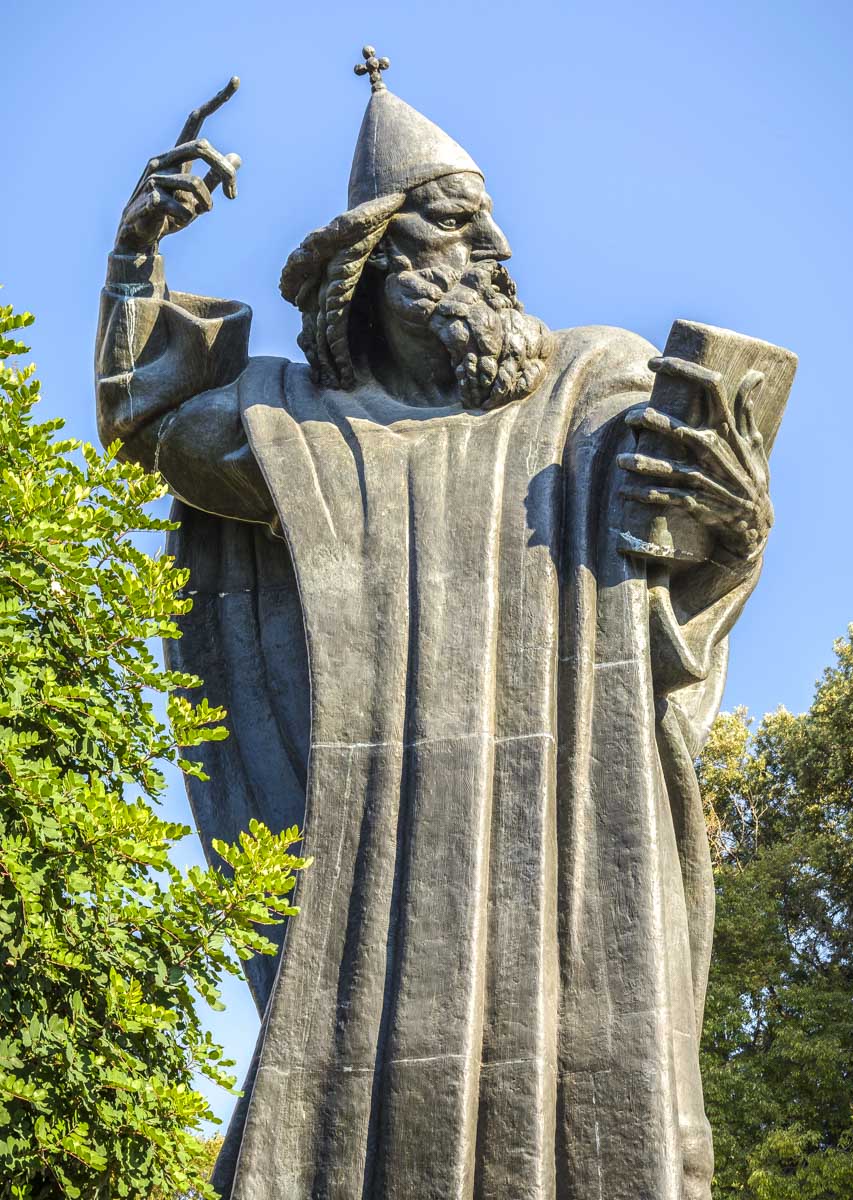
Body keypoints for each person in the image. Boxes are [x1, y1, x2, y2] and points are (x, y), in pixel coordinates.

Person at [96, 50, 775, 1200]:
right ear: (379, 263)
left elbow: (687, 563)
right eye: (464, 228)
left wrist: (738, 527)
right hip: (380, 870)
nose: (500, 256)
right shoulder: (293, 422)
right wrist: (134, 261)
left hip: (571, 847)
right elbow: (151, 422)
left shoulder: (595, 387)